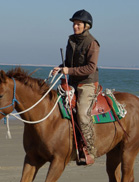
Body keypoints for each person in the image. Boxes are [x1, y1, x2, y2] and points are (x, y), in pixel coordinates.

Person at [52, 9, 100, 164]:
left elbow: (90, 68)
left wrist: (69, 70)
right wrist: (60, 68)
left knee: (81, 113)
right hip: (71, 81)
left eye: (78, 24)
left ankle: (90, 150)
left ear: (86, 26)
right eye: (74, 24)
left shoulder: (92, 43)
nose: (75, 27)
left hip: (87, 83)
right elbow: (68, 63)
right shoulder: (71, 40)